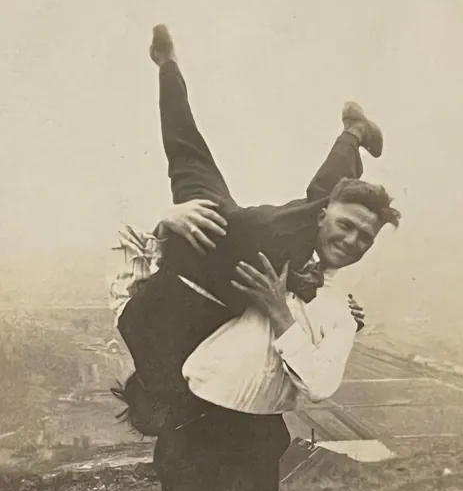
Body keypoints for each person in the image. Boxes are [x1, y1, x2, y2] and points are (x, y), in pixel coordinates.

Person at [111, 25, 401, 491]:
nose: (351, 239)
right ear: (330, 211)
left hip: (254, 439)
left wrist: (282, 310)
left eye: (364, 235)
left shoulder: (334, 298)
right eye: (346, 223)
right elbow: (144, 251)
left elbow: (320, 378)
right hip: (196, 394)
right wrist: (165, 219)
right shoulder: (269, 236)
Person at [115, 25, 389, 440]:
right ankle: (352, 131)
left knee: (318, 206)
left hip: (217, 238)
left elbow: (126, 254)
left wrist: (168, 220)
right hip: (229, 254)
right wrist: (327, 308)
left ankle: (167, 63)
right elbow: (261, 332)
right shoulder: (192, 373)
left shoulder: (137, 329)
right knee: (192, 155)